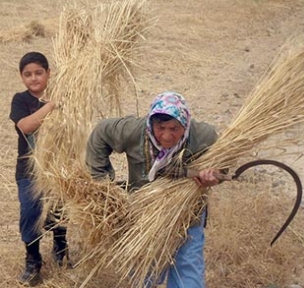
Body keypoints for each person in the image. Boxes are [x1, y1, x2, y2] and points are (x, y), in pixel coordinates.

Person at [86, 91, 221, 288]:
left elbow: (223, 167)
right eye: (161, 127)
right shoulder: (133, 130)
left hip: (188, 214)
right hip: (144, 217)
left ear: (186, 123)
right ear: (151, 123)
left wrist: (212, 177)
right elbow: (101, 132)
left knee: (187, 274)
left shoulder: (204, 136)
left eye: (175, 128)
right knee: (143, 274)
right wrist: (101, 181)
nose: (167, 136)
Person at [9, 51, 72, 286]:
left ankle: (61, 245)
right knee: (30, 213)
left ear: (49, 73)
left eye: (38, 73)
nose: (34, 78)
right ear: (21, 77)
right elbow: (25, 126)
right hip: (29, 171)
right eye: (28, 74)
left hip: (60, 168)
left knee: (59, 210)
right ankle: (33, 259)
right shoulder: (21, 100)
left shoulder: (65, 97)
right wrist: (52, 105)